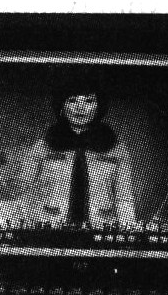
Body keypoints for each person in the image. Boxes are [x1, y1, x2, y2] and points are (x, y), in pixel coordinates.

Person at [17, 81, 136, 229]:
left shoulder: (116, 148)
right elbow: (22, 190)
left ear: (99, 106)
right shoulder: (43, 146)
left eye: (89, 101)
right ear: (62, 106)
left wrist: (129, 232)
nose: (81, 107)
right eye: (72, 100)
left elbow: (124, 198)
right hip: (51, 227)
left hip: (100, 227)